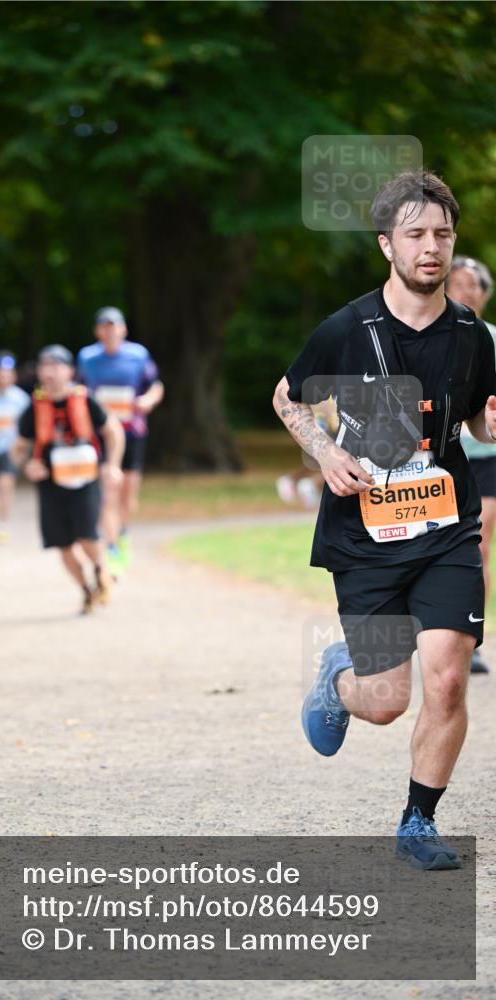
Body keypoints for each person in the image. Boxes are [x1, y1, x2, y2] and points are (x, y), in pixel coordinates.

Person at [273, 171, 496, 870]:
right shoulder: (347, 328)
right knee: (382, 702)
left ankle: (418, 821)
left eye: (442, 234)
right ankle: (340, 677)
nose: (431, 248)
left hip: (447, 526)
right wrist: (324, 452)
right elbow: (287, 397)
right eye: (415, 234)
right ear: (385, 244)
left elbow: (473, 416)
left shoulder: (472, 335)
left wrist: (488, 424)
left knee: (448, 677)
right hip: (365, 536)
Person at [12, 345, 125, 614]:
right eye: (44, 366)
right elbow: (18, 448)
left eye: (55, 366)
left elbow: (113, 431)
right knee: (63, 545)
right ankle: (86, 590)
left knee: (87, 535)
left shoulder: (86, 400)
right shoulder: (35, 406)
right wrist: (27, 466)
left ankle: (101, 570)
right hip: (51, 484)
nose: (49, 373)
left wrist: (113, 465)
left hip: (85, 480)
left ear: (70, 371)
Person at [77, 307, 163, 576]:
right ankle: (111, 543)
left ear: (123, 329)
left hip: (132, 432)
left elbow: (156, 385)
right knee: (108, 490)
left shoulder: (138, 355)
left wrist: (148, 401)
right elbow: (78, 390)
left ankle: (123, 532)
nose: (110, 330)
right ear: (97, 331)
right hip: (101, 434)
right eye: (105, 326)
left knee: (127, 492)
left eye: (114, 325)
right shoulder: (87, 357)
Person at [446, 256, 496, 674]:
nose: (466, 291)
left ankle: (471, 639)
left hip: (487, 460)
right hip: (438, 457)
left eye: (473, 285)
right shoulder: (431, 335)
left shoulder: (493, 338)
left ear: (485, 293)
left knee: (477, 545)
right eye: (458, 283)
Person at [0, 351, 30, 543]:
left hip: (8, 450)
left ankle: (3, 525)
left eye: (7, 373)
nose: (4, 377)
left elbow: (26, 429)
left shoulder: (21, 399)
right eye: (0, 373)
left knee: (6, 484)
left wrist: (22, 453)